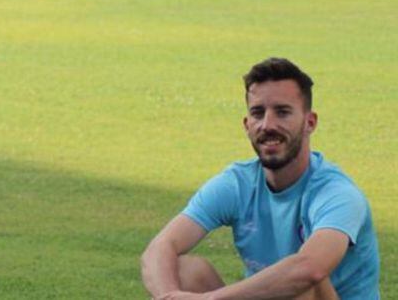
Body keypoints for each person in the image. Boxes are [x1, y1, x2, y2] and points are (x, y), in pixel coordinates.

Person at [141, 58, 380, 299]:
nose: (268, 124)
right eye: (258, 113)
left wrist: (209, 299)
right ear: (247, 124)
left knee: (299, 281)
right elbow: (160, 248)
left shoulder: (338, 194)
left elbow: (310, 269)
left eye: (282, 112)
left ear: (310, 122)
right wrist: (168, 296)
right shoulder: (237, 183)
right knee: (184, 271)